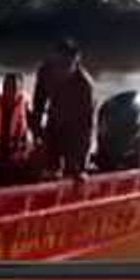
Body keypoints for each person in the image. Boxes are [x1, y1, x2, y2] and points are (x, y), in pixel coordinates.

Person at [30, 38, 95, 179]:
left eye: (67, 65)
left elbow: (87, 125)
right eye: (58, 64)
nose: (61, 70)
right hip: (54, 120)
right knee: (46, 168)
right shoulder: (45, 71)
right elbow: (38, 105)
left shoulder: (85, 85)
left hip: (76, 128)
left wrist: (81, 163)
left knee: (73, 171)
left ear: (76, 62)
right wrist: (36, 135)